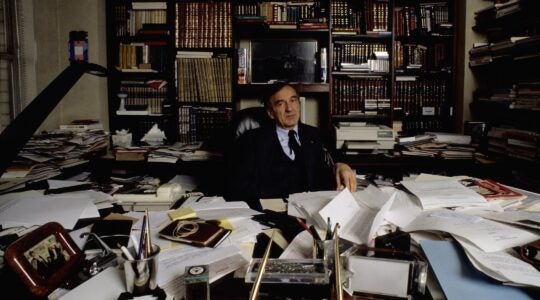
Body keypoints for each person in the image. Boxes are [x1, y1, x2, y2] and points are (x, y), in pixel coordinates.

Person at [227, 82, 357, 209]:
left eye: (293, 101)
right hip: (272, 215)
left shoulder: (315, 134)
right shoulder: (251, 140)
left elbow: (334, 156)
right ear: (271, 113)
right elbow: (239, 188)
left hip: (313, 211)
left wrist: (341, 164)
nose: (289, 108)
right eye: (280, 103)